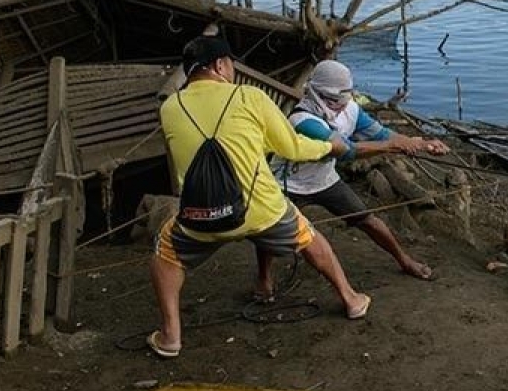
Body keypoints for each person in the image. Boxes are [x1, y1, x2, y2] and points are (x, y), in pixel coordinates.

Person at [150, 35, 370, 358]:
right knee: (310, 237)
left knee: (164, 251)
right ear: (221, 65)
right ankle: (351, 299)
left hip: (200, 216)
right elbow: (292, 148)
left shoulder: (170, 108)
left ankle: (170, 335)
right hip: (261, 211)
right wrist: (330, 146)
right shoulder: (250, 97)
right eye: (232, 65)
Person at [268, 60, 448, 290]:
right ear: (317, 94)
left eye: (345, 99)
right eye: (335, 100)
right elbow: (346, 150)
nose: (342, 106)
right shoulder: (302, 120)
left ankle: (405, 260)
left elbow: (382, 133)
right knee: (273, 231)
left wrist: (423, 144)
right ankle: (265, 278)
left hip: (323, 179)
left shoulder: (351, 109)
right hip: (289, 182)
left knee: (367, 219)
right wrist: (394, 148)